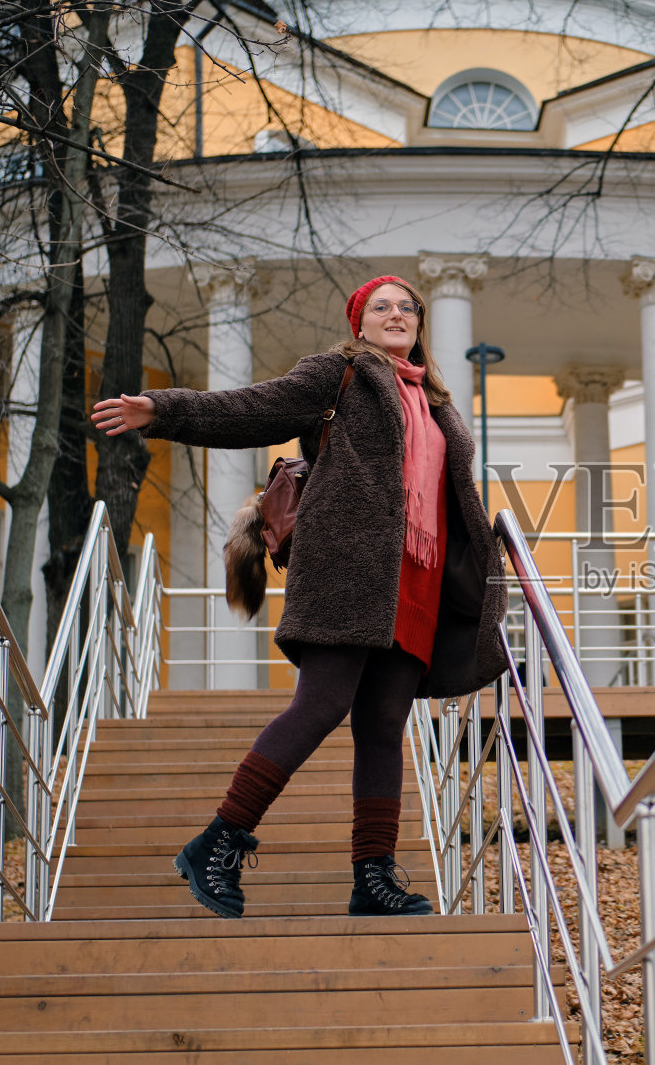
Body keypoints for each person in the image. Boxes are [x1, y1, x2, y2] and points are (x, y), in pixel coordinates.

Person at [91, 275, 508, 918]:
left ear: (419, 325)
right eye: (381, 307)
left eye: (407, 307)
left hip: (415, 583)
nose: (396, 314)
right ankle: (218, 842)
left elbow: (454, 498)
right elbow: (251, 408)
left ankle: (372, 878)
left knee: (383, 729)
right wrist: (163, 409)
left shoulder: (439, 404)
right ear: (359, 324)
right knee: (320, 707)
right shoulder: (339, 375)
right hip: (347, 572)